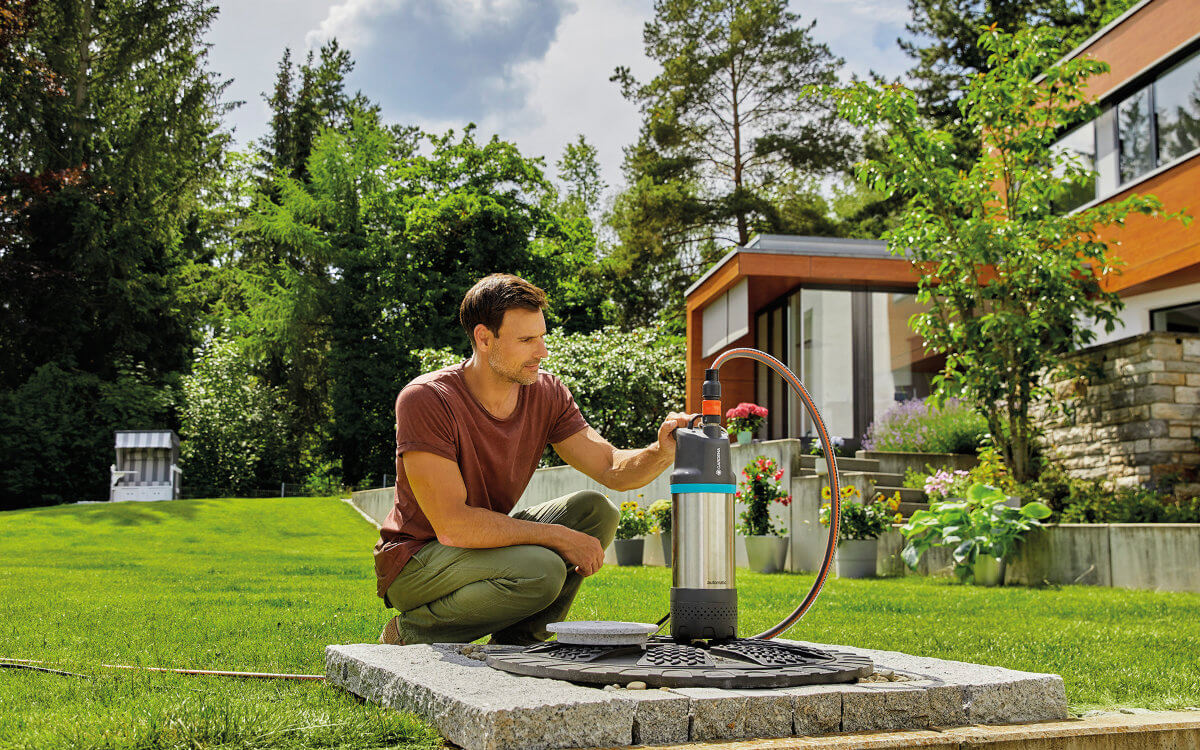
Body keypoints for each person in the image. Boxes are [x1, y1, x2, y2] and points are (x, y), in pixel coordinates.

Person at [375, 273, 692, 646]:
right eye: (526, 340)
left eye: (542, 336)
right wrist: (560, 538)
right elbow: (453, 526)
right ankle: (407, 634)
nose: (541, 351)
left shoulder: (545, 392)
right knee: (540, 572)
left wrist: (661, 451)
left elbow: (611, 468)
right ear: (483, 338)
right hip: (417, 560)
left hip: (476, 549)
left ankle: (519, 644)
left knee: (595, 511)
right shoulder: (427, 399)